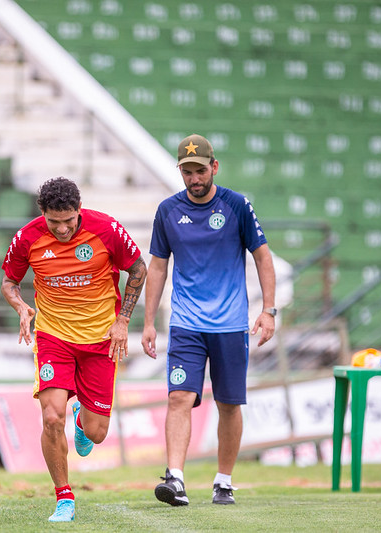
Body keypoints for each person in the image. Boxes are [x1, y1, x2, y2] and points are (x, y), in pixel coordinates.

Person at [1, 176, 147, 522]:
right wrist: (21, 307)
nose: (63, 229)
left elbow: (138, 268)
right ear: (43, 213)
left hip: (100, 340)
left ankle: (83, 418)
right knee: (52, 416)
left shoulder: (106, 229)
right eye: (55, 222)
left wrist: (123, 321)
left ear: (79, 211)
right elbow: (9, 281)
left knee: (96, 434)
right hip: (54, 337)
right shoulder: (27, 237)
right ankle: (64, 497)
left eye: (69, 221)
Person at [141, 134, 276, 506]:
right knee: (178, 397)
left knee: (229, 404)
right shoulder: (167, 210)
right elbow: (157, 266)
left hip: (232, 324)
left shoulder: (236, 206)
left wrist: (268, 310)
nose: (194, 178)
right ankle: (176, 479)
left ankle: (224, 480)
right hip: (186, 324)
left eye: (200, 170)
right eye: (187, 171)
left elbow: (263, 258)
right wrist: (149, 321)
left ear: (214, 167)